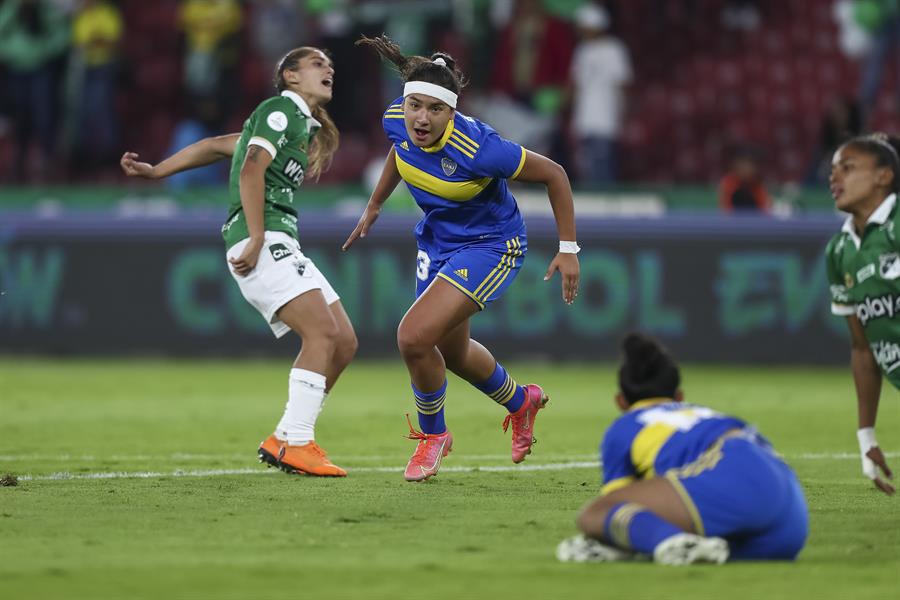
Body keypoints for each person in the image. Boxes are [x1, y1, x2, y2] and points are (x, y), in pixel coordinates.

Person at [343, 35, 580, 483]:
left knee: (413, 337)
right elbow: (400, 151)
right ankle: (520, 401)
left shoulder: (481, 148)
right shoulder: (397, 119)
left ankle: (434, 436)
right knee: (450, 352)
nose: (421, 118)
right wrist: (375, 204)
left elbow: (555, 174)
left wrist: (568, 250)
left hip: (492, 244)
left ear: (452, 112)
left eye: (435, 110)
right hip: (437, 242)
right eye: (415, 106)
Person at [120, 47, 357, 477]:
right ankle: (298, 442)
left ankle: (285, 436)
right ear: (290, 76)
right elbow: (250, 169)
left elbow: (216, 147)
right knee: (322, 332)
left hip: (277, 238)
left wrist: (157, 171)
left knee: (343, 341)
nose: (329, 69)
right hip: (261, 238)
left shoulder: (294, 123)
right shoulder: (280, 111)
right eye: (318, 64)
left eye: (331, 64)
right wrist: (257, 237)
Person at [556, 333, 809, 565]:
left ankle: (668, 542)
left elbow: (619, 505)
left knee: (595, 513)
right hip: (790, 513)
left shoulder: (626, 426)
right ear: (679, 397)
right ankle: (680, 544)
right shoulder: (702, 413)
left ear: (621, 401)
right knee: (731, 544)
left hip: (729, 471)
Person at [825, 132, 900, 496]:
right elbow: (863, 349)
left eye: (848, 167)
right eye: (833, 170)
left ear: (883, 176)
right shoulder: (839, 252)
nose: (833, 177)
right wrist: (865, 434)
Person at [568, 3, 632, 186]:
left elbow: (622, 84)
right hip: (585, 117)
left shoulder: (614, 50)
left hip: (606, 115)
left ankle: (607, 205)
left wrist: (623, 112)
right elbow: (576, 84)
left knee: (604, 163)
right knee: (587, 164)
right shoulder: (582, 51)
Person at [717, 145, 772, 213]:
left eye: (749, 165)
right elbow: (725, 212)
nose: (745, 169)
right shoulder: (728, 183)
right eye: (743, 164)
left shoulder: (758, 185)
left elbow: (766, 210)